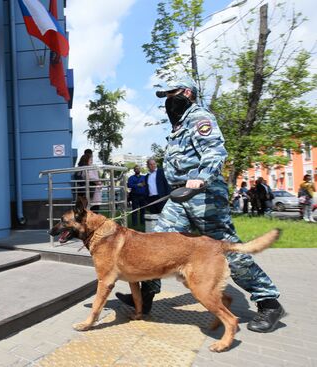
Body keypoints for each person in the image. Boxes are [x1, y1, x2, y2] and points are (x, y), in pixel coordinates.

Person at [115, 77, 284, 333]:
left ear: (186, 93)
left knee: (227, 250)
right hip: (179, 197)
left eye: (171, 95)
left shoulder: (200, 118)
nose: (167, 102)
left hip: (205, 197)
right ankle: (145, 299)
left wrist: (201, 177)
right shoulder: (178, 126)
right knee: (155, 245)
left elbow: (215, 152)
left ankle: (268, 302)